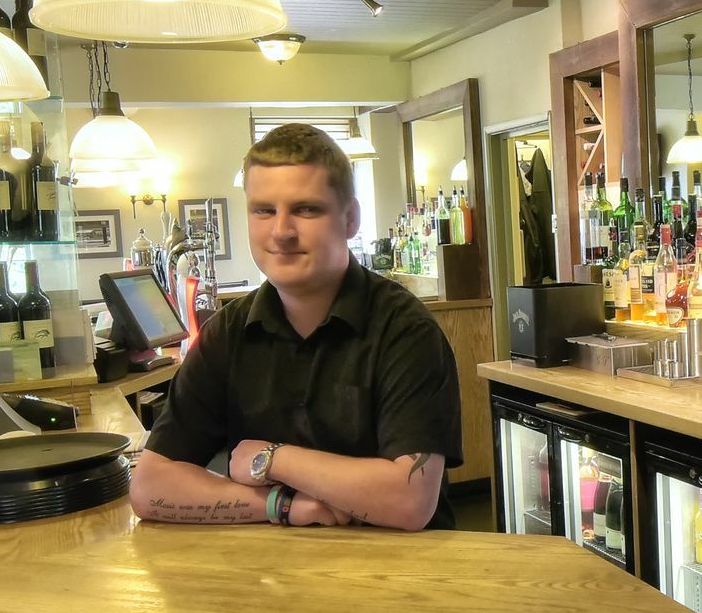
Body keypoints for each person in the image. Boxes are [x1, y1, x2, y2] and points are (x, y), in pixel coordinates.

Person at [129, 123, 462, 530]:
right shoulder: (228, 333)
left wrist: (273, 457)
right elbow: (149, 486)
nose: (281, 232)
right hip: (271, 579)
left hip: (401, 579)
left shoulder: (407, 332)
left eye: (306, 209)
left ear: (350, 218)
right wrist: (282, 505)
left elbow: (409, 502)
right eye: (263, 210)